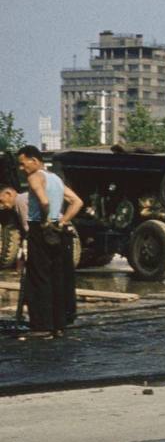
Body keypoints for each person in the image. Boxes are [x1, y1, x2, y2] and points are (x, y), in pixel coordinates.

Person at [16, 145, 83, 339]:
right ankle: (59, 324)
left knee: (39, 277)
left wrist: (45, 219)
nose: (22, 168)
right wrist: (61, 221)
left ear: (34, 161)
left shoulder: (35, 176)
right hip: (58, 230)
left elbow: (43, 202)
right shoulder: (56, 179)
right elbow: (77, 201)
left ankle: (41, 326)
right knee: (58, 276)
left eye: (23, 164)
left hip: (41, 228)